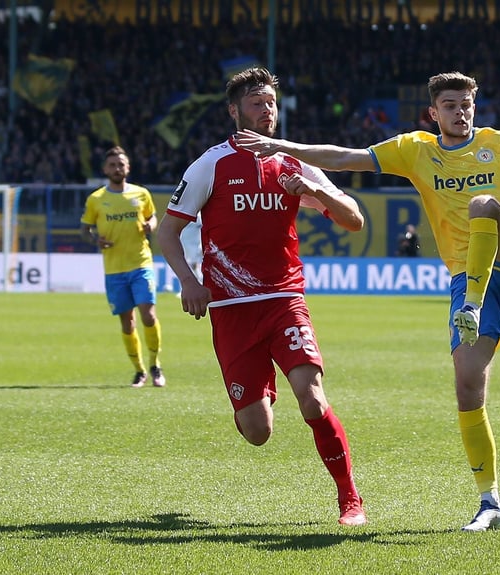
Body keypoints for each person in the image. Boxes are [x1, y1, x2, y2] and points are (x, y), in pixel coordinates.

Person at [234, 70, 500, 531]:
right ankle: (490, 503)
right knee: (468, 387)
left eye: (467, 104)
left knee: (484, 205)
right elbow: (348, 158)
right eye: (450, 105)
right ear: (434, 113)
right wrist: (286, 147)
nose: (461, 112)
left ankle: (470, 304)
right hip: (468, 278)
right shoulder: (415, 150)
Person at [155, 67, 368, 527]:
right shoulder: (210, 164)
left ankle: (350, 500)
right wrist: (190, 282)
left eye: (271, 102)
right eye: (256, 102)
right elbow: (167, 231)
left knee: (312, 397)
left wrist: (313, 190)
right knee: (257, 432)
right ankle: (258, 393)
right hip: (231, 311)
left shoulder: (295, 163)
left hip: (284, 300)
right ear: (234, 111)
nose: (267, 109)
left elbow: (355, 220)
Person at [80, 146, 166, 388]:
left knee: (148, 314)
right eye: (112, 165)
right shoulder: (96, 199)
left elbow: (153, 217)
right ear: (105, 169)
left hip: (141, 263)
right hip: (114, 269)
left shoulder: (141, 194)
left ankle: (155, 364)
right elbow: (85, 228)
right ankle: (139, 371)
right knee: (127, 323)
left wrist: (151, 224)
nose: (117, 168)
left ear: (128, 167)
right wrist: (94, 239)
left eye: (121, 164)